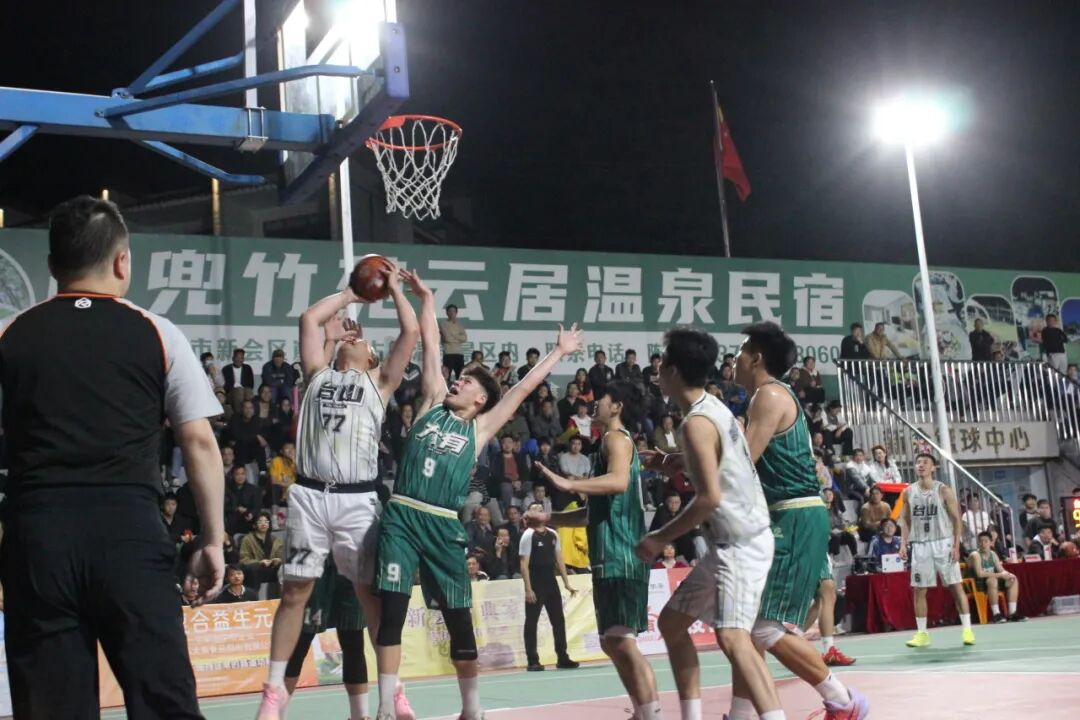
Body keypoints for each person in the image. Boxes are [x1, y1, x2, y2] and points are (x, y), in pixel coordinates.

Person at [0, 196, 225, 718]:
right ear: (122, 261)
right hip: (129, 533)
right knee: (165, 702)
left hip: (38, 538)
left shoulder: (10, 333)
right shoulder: (157, 332)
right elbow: (197, 440)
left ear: (52, 265)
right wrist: (212, 539)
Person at [373, 268, 584, 720]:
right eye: (459, 379)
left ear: (482, 400)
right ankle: (385, 707)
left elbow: (523, 389)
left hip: (442, 524)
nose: (457, 382)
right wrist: (425, 299)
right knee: (391, 610)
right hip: (402, 516)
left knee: (458, 619)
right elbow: (431, 343)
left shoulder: (481, 428)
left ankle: (472, 709)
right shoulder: (432, 402)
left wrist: (559, 352)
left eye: (467, 382)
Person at [256, 263, 420, 720]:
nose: (355, 339)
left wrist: (394, 290)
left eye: (363, 342)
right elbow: (309, 319)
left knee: (370, 598)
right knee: (295, 591)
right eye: (350, 338)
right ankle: (272, 692)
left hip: (356, 500)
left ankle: (392, 693)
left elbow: (409, 331)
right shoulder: (317, 375)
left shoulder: (379, 384)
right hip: (310, 496)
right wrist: (351, 293)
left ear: (372, 359)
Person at [634, 328, 785, 720]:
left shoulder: (695, 424)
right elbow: (725, 460)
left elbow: (708, 499)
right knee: (672, 623)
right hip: (730, 543)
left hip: (741, 543)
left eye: (661, 364)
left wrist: (658, 538)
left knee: (734, 637)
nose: (657, 371)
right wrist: (675, 461)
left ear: (672, 371)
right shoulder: (712, 407)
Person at [733, 321, 867, 719]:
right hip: (788, 514)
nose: (734, 359)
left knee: (763, 628)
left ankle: (843, 701)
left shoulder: (769, 395)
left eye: (741, 352)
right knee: (747, 628)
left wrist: (692, 458)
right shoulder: (767, 396)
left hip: (793, 515)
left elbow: (741, 465)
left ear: (756, 358)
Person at [537, 380, 662, 720]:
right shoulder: (604, 446)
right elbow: (591, 513)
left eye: (601, 398)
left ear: (617, 406)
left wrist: (570, 482)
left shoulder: (615, 439)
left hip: (622, 552)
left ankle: (652, 713)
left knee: (621, 640)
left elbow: (619, 481)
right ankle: (644, 711)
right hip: (608, 554)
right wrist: (549, 518)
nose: (593, 403)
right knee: (612, 641)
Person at [900, 453, 975, 648]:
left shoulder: (944, 490)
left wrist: (956, 546)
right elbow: (905, 520)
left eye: (925, 462)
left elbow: (957, 520)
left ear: (933, 468)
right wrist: (903, 544)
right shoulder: (908, 492)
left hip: (944, 543)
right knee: (919, 590)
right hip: (920, 545)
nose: (921, 465)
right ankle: (922, 634)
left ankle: (967, 629)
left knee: (955, 586)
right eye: (918, 462)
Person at [283, 556, 372, 720]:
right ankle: (276, 713)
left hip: (350, 562)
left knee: (353, 640)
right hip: (313, 563)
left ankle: (360, 716)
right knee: (300, 641)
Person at [519, 503, 580, 671]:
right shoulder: (528, 535)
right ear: (529, 515)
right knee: (532, 621)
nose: (540, 511)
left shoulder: (553, 534)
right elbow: (524, 564)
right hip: (535, 583)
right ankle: (533, 660)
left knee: (558, 621)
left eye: (541, 509)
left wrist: (566, 583)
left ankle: (562, 657)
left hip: (551, 582)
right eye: (535, 509)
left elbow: (559, 559)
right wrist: (528, 589)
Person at [803, 558, 856, 667]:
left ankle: (791, 639)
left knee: (821, 599)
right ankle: (829, 652)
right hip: (811, 551)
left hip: (813, 552)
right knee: (828, 594)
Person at [967, 532, 1024, 623]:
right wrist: (1000, 575)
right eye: (981, 541)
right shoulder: (975, 555)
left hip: (992, 581)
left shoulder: (993, 554)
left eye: (986, 541)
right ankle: (996, 614)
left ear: (991, 542)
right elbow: (979, 574)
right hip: (977, 584)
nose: (983, 544)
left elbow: (1001, 570)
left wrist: (1008, 574)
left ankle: (1012, 613)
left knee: (1013, 579)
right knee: (992, 580)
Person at [240, 511, 284, 596]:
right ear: (254, 525)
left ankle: (283, 598)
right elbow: (243, 559)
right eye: (260, 521)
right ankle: (253, 597)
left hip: (272, 569)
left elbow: (281, 556)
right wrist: (259, 562)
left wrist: (277, 560)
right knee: (253, 569)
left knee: (285, 568)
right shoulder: (247, 539)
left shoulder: (275, 540)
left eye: (266, 521)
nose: (263, 524)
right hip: (256, 569)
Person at [438, 303, 468, 380]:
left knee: (460, 377)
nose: (452, 313)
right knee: (446, 377)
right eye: (450, 311)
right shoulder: (443, 323)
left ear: (456, 313)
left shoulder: (459, 324)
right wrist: (458, 337)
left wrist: (453, 335)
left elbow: (464, 338)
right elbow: (447, 338)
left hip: (459, 354)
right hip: (448, 353)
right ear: (446, 313)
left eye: (454, 311)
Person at [223, 347, 256, 412]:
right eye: (237, 357)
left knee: (249, 392)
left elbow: (250, 384)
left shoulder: (247, 368)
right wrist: (237, 389)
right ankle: (239, 414)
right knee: (239, 391)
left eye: (241, 358)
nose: (239, 360)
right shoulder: (226, 369)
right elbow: (225, 386)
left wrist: (242, 389)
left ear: (243, 359)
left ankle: (249, 413)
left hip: (244, 391)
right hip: (231, 393)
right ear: (233, 358)